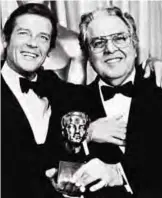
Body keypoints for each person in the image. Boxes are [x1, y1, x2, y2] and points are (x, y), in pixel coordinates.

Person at [1, 3, 162, 198]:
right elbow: (52, 161)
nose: (110, 49)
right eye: (98, 43)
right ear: (87, 54)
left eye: (120, 38)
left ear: (135, 45)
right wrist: (87, 133)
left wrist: (120, 173)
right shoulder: (74, 99)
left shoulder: (158, 86)